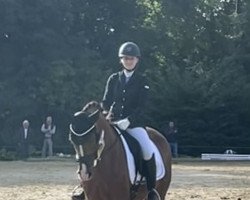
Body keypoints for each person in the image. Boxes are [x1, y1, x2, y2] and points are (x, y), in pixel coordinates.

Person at [101, 41, 160, 200]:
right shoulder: (113, 79)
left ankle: (151, 190)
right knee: (95, 146)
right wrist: (107, 113)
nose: (129, 61)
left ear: (137, 60)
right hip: (113, 124)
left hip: (134, 125)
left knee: (147, 149)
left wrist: (129, 120)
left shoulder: (143, 81)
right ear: (121, 60)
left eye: (132, 58)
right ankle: (83, 186)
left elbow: (143, 107)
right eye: (126, 58)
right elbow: (105, 102)